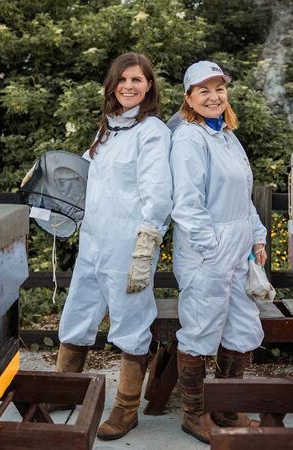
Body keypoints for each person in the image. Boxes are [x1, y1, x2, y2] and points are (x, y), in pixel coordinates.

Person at [54, 52, 172, 440]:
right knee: (78, 314)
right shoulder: (107, 128)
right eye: (122, 80)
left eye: (137, 80)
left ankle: (125, 408)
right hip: (93, 240)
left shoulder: (152, 131)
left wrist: (148, 240)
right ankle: (62, 389)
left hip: (128, 246)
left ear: (149, 86)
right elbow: (84, 176)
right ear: (112, 84)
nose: (129, 86)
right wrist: (49, 187)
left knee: (130, 324)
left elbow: (158, 192)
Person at [169, 61, 267, 443]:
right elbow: (187, 204)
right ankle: (193, 415)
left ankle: (226, 407)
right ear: (189, 98)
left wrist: (257, 236)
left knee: (242, 328)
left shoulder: (227, 135)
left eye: (219, 89)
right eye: (204, 90)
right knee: (200, 330)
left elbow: (242, 199)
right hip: (205, 254)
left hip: (238, 252)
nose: (214, 96)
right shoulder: (189, 139)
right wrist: (212, 248)